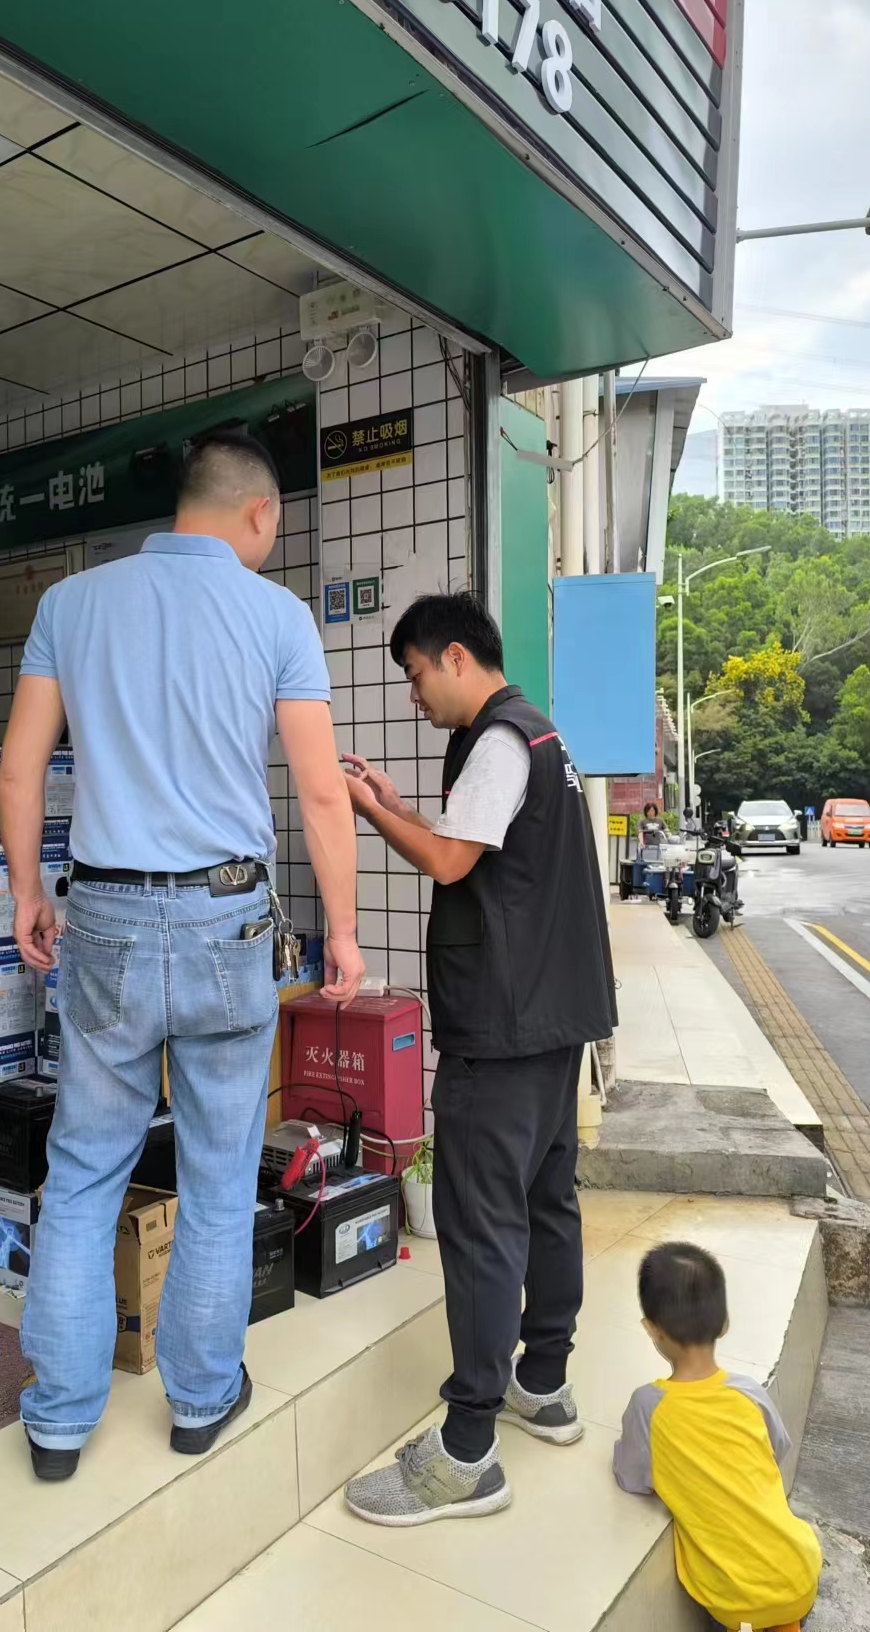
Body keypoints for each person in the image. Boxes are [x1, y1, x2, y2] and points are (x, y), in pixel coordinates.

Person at [0, 431, 363, 1481]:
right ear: (258, 513)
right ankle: (200, 1399)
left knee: (82, 1171)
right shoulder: (277, 617)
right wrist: (342, 931)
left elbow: (20, 769)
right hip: (224, 920)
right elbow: (320, 791)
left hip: (103, 916)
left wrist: (27, 892)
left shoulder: (71, 603)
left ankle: (57, 1421)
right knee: (216, 1171)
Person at [338, 592, 615, 1526]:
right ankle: (545, 1381)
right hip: (554, 1019)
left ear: (456, 657)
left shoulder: (498, 740)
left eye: (416, 674)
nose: (413, 695)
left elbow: (452, 863)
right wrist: (396, 804)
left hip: (501, 1028)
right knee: (546, 1203)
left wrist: (366, 813)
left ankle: (466, 1452)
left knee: (481, 1225)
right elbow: (482, 845)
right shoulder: (540, 738)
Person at [613, 1243, 822, 1632]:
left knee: (747, 1616)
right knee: (781, 1611)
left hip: (735, 1601)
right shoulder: (748, 1392)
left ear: (651, 1329)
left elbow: (633, 1478)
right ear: (725, 1323)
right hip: (800, 1570)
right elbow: (776, 1448)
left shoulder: (647, 1406)